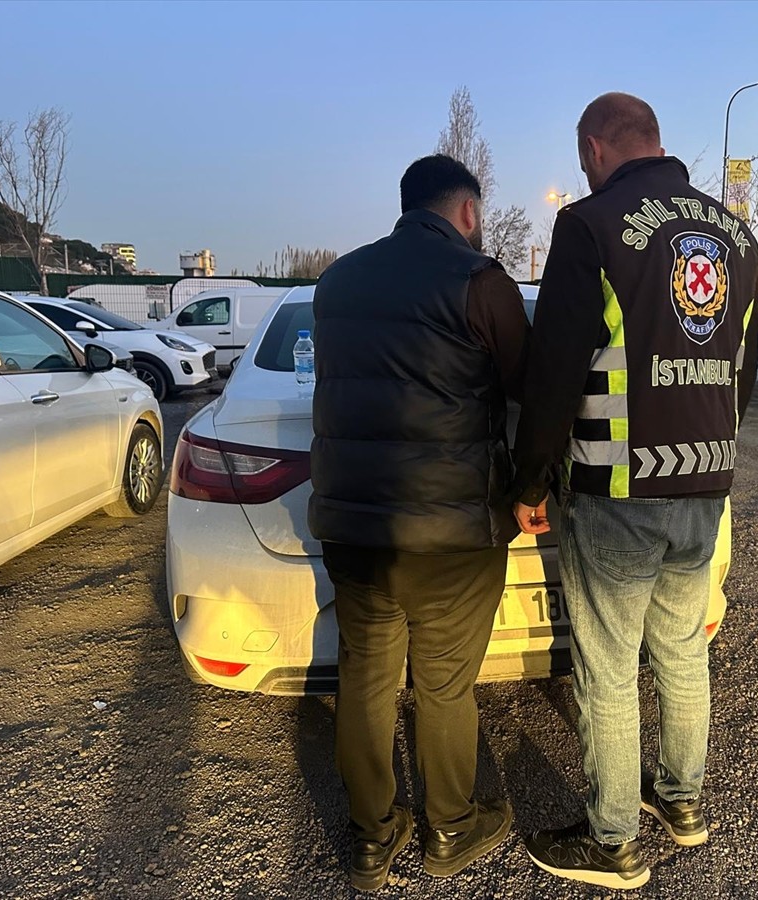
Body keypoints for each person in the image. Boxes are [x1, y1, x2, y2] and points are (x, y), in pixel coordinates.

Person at [513, 93, 758, 890]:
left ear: (594, 147)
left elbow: (554, 371)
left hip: (616, 486)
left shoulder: (589, 226)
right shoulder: (737, 236)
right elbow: (743, 372)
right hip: (706, 480)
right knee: (684, 650)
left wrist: (530, 478)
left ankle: (612, 841)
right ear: (656, 142)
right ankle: (681, 803)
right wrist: (709, 454)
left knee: (611, 667)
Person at [308, 154, 528, 892]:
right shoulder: (481, 280)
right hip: (452, 534)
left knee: (366, 682)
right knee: (444, 686)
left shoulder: (337, 281)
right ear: (466, 211)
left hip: (353, 528)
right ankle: (449, 829)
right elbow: (526, 386)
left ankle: (371, 839)